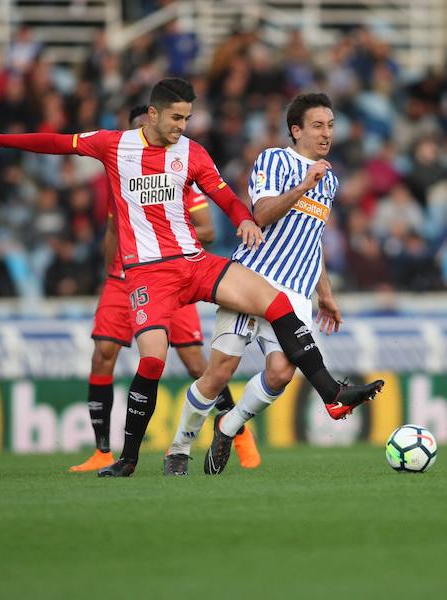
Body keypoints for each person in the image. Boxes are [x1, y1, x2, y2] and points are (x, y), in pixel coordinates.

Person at [0, 78, 383, 478]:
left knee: (275, 302)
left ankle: (331, 393)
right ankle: (129, 458)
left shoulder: (192, 153)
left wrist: (243, 220)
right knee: (153, 360)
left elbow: (224, 197)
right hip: (148, 273)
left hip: (193, 262)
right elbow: (57, 143)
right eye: (176, 117)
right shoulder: (114, 145)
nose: (183, 126)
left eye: (187, 118)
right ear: (153, 113)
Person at [162, 93, 350, 476]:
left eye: (330, 125)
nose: (326, 133)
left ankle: (228, 426)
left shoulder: (329, 179)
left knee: (281, 373)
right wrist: (303, 185)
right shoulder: (274, 160)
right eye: (317, 125)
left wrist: (325, 293)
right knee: (219, 373)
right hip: (252, 281)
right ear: (296, 130)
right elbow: (260, 215)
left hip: (295, 292)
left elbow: (311, 238)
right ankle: (179, 448)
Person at [69, 105, 260, 474]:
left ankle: (237, 433)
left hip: (172, 272)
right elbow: (113, 231)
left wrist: (166, 237)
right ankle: (102, 450)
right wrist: (112, 274)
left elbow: (207, 229)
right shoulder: (120, 172)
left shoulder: (179, 177)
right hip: (125, 277)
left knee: (195, 362)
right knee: (103, 353)